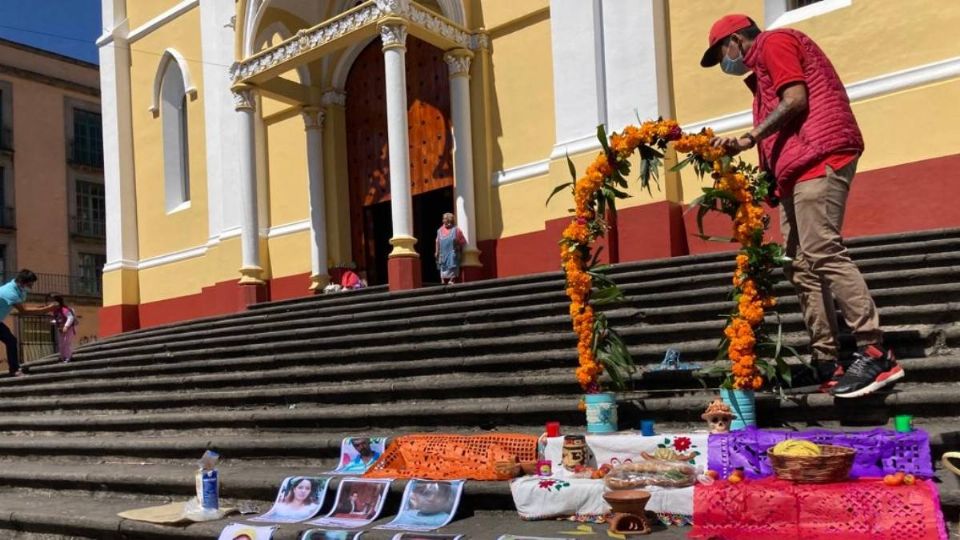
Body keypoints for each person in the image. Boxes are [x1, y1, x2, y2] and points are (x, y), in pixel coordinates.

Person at [700, 14, 902, 398]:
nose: (725, 63)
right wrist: (771, 179)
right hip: (796, 169)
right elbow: (778, 129)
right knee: (800, 265)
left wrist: (748, 137)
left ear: (735, 41)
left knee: (823, 249)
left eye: (721, 54)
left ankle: (876, 350)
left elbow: (796, 99)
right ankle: (828, 361)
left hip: (819, 156)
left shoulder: (774, 43)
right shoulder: (759, 78)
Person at [0, 270, 57, 377]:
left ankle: (14, 369)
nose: (31, 286)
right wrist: (47, 309)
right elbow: (24, 311)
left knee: (11, 341)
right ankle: (14, 370)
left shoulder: (20, 291)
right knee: (11, 340)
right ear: (22, 282)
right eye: (30, 283)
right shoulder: (9, 292)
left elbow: (25, 307)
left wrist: (44, 308)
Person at [434, 213, 466, 285]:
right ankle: (443, 279)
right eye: (443, 219)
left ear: (449, 220)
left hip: (452, 252)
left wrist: (457, 246)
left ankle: (452, 279)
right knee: (442, 265)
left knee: (453, 264)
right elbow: (437, 241)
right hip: (443, 252)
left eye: (445, 219)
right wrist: (436, 251)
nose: (443, 220)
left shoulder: (456, 230)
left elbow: (461, 241)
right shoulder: (439, 230)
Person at [48, 294, 77, 363]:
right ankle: (62, 356)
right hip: (60, 329)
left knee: (66, 342)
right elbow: (58, 320)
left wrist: (66, 326)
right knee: (61, 343)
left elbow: (70, 317)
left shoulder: (64, 309)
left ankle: (68, 357)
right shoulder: (55, 311)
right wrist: (53, 322)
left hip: (68, 329)